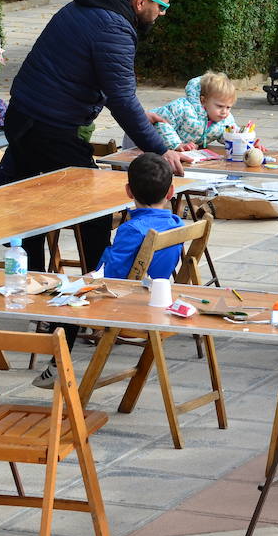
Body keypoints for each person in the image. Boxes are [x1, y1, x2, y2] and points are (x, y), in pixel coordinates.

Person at [0, 0, 182, 371]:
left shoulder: (91, 8)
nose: (162, 14)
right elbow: (121, 96)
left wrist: (141, 118)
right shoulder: (113, 27)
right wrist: (161, 150)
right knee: (91, 210)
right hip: (46, 124)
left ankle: (40, 297)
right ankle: (92, 304)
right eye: (160, 6)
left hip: (29, 116)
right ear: (139, 1)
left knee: (31, 208)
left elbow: (110, 86)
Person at [32, 153, 183, 388]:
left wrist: (85, 279)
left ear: (128, 191)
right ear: (171, 192)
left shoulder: (132, 229)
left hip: (128, 303)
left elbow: (112, 275)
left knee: (66, 300)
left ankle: (56, 367)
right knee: (73, 289)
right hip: (157, 296)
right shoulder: (176, 223)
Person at [152, 71, 239, 150]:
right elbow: (162, 123)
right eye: (220, 106)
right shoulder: (182, 108)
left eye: (228, 107)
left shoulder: (226, 120)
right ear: (204, 101)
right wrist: (177, 145)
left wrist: (238, 138)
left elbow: (225, 135)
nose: (224, 112)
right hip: (148, 136)